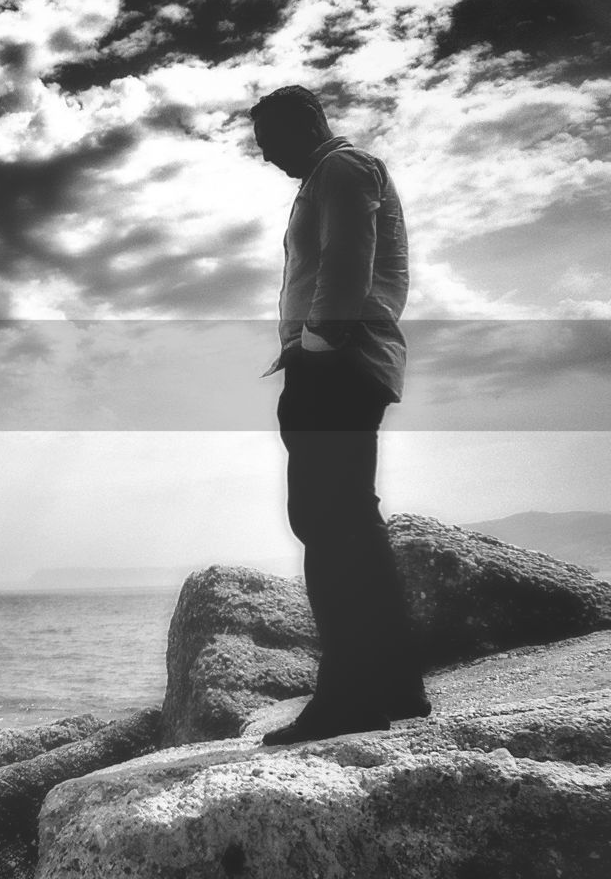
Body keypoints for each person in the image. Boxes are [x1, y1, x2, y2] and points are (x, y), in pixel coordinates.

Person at [252, 85, 429, 744]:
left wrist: (318, 350)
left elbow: (347, 261)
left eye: (268, 143)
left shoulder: (343, 169)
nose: (265, 157)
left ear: (302, 124)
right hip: (345, 363)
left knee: (324, 521)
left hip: (338, 363)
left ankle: (350, 696)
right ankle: (395, 682)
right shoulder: (336, 173)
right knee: (349, 517)